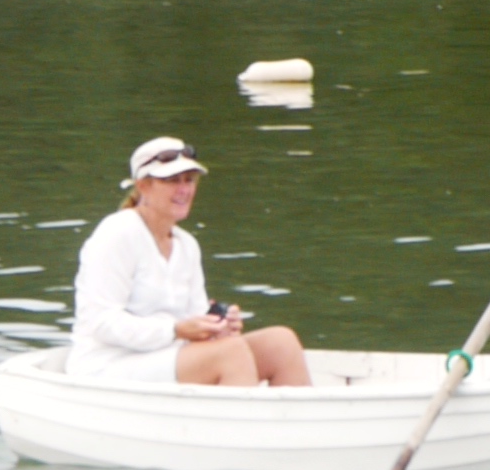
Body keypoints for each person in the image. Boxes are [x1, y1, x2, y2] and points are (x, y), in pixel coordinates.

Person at [68, 136, 310, 387]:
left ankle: (292, 414)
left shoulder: (187, 245)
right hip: (109, 365)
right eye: (172, 180)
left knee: (281, 343)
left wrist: (217, 327)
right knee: (231, 354)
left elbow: (194, 319)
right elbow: (101, 322)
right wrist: (175, 330)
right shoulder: (117, 233)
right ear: (143, 186)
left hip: (170, 356)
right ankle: (240, 413)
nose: (184, 190)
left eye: (189, 180)